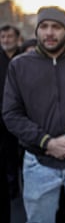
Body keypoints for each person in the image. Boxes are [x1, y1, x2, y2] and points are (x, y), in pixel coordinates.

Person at [2, 6, 65, 223]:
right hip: (38, 162)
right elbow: (11, 113)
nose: (49, 32)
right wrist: (46, 142)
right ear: (37, 31)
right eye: (44, 26)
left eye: (56, 27)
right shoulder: (19, 66)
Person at [0, 24, 21, 222]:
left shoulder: (24, 59)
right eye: (3, 36)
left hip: (22, 120)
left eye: (9, 36)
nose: (6, 40)